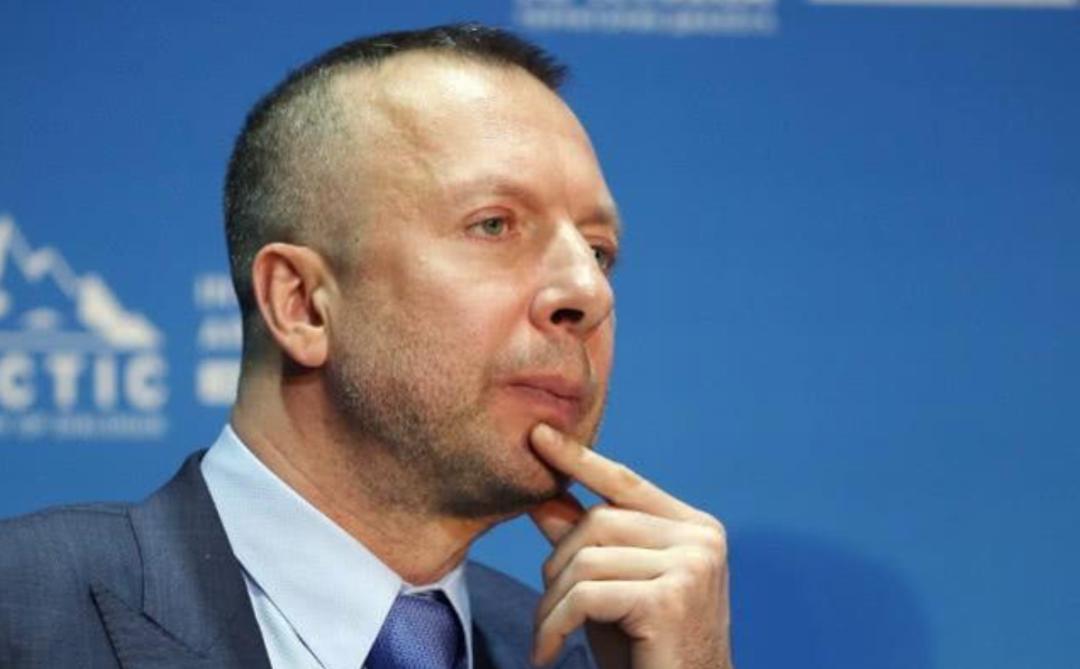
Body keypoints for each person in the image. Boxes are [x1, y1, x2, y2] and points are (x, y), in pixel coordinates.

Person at [0, 24, 732, 669]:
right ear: (301, 304)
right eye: (494, 225)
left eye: (599, 251)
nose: (589, 292)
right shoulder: (23, 613)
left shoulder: (581, 655)